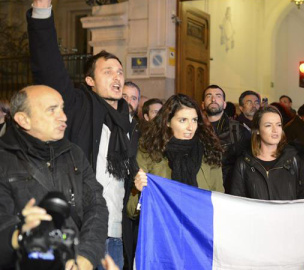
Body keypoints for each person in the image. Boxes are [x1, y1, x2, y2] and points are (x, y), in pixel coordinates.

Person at [27, 1, 138, 269]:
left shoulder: (130, 123)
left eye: (120, 71)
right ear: (90, 80)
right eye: (108, 71)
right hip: (82, 232)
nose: (117, 76)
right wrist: (42, 12)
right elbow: (49, 66)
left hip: (118, 235)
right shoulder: (77, 106)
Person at [0, 86, 108, 270]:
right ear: (23, 119)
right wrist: (19, 235)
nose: (63, 117)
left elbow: (96, 207)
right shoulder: (3, 160)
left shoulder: (74, 153)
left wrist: (86, 256)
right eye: (52, 110)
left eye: (62, 108)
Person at [128, 94, 224, 219]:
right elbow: (132, 211)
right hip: (163, 231)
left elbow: (219, 203)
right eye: (183, 120)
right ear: (168, 122)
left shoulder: (209, 152)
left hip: (200, 230)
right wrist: (141, 192)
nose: (190, 127)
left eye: (194, 120)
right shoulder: (150, 152)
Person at [229, 105, 304, 200]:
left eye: (278, 125)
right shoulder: (244, 162)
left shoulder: (295, 159)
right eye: (268, 125)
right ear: (257, 130)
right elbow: (237, 202)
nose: (275, 130)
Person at [202, 85, 250, 191]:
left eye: (218, 96)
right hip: (201, 189)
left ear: (224, 104)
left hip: (228, 190)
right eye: (209, 96)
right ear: (202, 104)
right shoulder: (194, 128)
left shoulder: (238, 130)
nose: (213, 99)